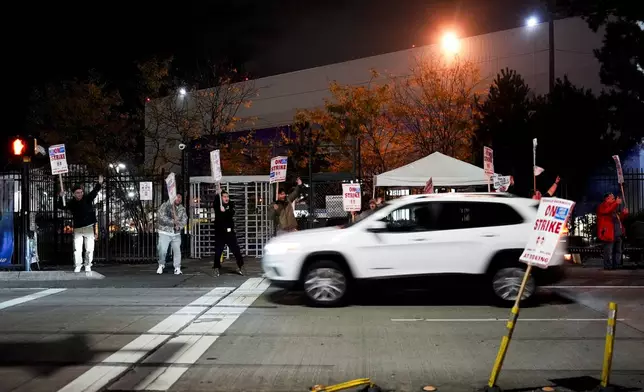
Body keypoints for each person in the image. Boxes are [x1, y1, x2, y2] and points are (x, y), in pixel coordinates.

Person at [58, 176, 103, 273]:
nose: (80, 194)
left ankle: (87, 265)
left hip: (88, 227)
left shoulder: (87, 199)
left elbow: (94, 192)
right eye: (77, 193)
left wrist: (99, 183)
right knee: (77, 249)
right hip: (78, 228)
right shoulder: (71, 203)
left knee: (89, 248)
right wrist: (60, 197)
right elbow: (61, 206)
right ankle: (78, 265)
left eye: (81, 192)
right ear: (73, 194)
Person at [213, 185, 245, 277]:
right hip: (220, 233)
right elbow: (215, 202)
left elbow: (232, 212)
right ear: (221, 198)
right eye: (224, 196)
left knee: (236, 250)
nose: (226, 198)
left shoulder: (231, 205)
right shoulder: (217, 205)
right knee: (218, 251)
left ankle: (240, 266)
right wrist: (218, 193)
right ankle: (216, 267)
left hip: (229, 232)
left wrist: (225, 210)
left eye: (227, 196)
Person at [156, 194, 188, 275]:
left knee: (177, 251)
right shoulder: (165, 206)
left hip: (176, 234)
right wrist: (173, 222)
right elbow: (161, 217)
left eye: (180, 197)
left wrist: (179, 226)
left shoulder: (182, 209)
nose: (178, 199)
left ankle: (177, 267)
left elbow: (184, 220)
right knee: (162, 250)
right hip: (164, 232)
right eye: (176, 197)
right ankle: (161, 264)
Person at [597, 192, 629, 270]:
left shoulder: (613, 208)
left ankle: (616, 265)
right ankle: (608, 266)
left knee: (618, 251)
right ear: (607, 199)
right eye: (613, 198)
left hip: (617, 234)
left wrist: (624, 214)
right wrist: (616, 203)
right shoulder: (602, 206)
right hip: (609, 234)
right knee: (608, 252)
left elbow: (619, 219)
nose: (614, 199)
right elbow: (607, 211)